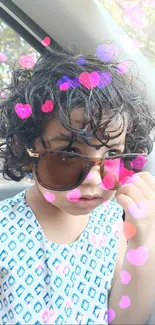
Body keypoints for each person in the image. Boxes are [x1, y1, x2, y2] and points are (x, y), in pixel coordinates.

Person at [0, 48, 155, 325]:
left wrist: (143, 242)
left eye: (112, 156)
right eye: (67, 157)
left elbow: (124, 319)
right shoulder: (4, 227)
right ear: (26, 153)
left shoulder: (112, 224)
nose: (94, 179)